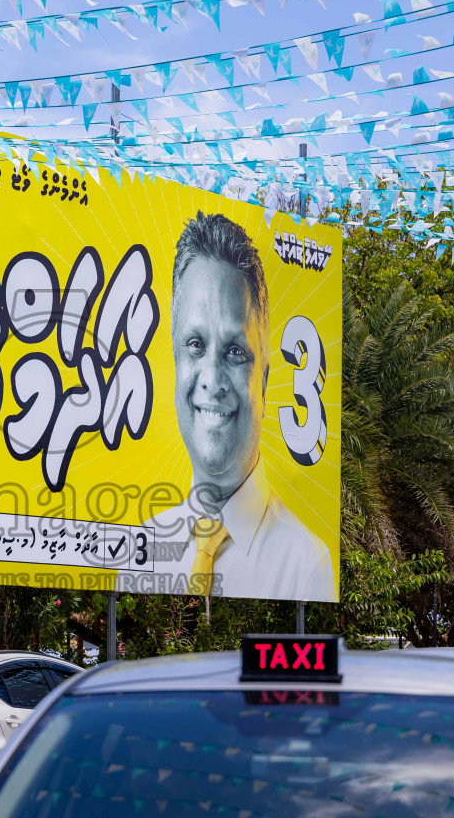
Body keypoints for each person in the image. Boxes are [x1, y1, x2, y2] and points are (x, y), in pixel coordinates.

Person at [141, 212, 334, 601]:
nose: (212, 379)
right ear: (175, 361)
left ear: (263, 381)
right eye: (195, 345)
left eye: (234, 351)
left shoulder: (306, 566)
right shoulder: (142, 549)